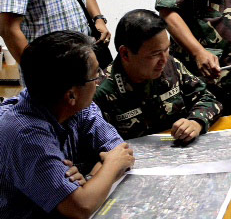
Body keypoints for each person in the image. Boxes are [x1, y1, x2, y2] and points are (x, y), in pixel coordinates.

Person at [0, 31, 134, 218]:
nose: (100, 80)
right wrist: (111, 165)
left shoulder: (78, 107)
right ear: (71, 95)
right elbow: (81, 207)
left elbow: (121, 151)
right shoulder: (24, 133)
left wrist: (89, 181)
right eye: (95, 75)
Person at [94, 9, 223, 142]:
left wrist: (196, 122)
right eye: (155, 54)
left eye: (166, 49)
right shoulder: (101, 92)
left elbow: (208, 99)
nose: (164, 59)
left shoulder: (170, 66)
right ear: (125, 54)